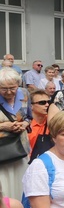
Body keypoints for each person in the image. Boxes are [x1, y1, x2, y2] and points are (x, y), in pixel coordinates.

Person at [0, 68, 30, 200]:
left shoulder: (24, 94)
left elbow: (30, 116)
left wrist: (24, 124)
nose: (9, 92)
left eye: (12, 88)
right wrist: (4, 126)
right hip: (2, 151)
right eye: (3, 88)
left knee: (22, 185)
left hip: (21, 148)